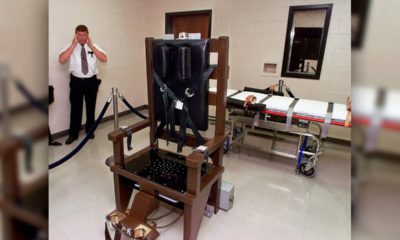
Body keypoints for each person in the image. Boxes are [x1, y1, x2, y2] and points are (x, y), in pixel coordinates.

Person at [59, 25, 107, 144]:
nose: (82, 37)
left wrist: (91, 46)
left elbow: (104, 58)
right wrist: (73, 45)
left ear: (87, 35)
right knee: (76, 108)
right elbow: (62, 59)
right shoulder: (70, 46)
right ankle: (73, 134)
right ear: (75, 35)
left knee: (91, 107)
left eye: (84, 35)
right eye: (79, 35)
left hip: (91, 81)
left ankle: (90, 131)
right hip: (76, 81)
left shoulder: (94, 46)